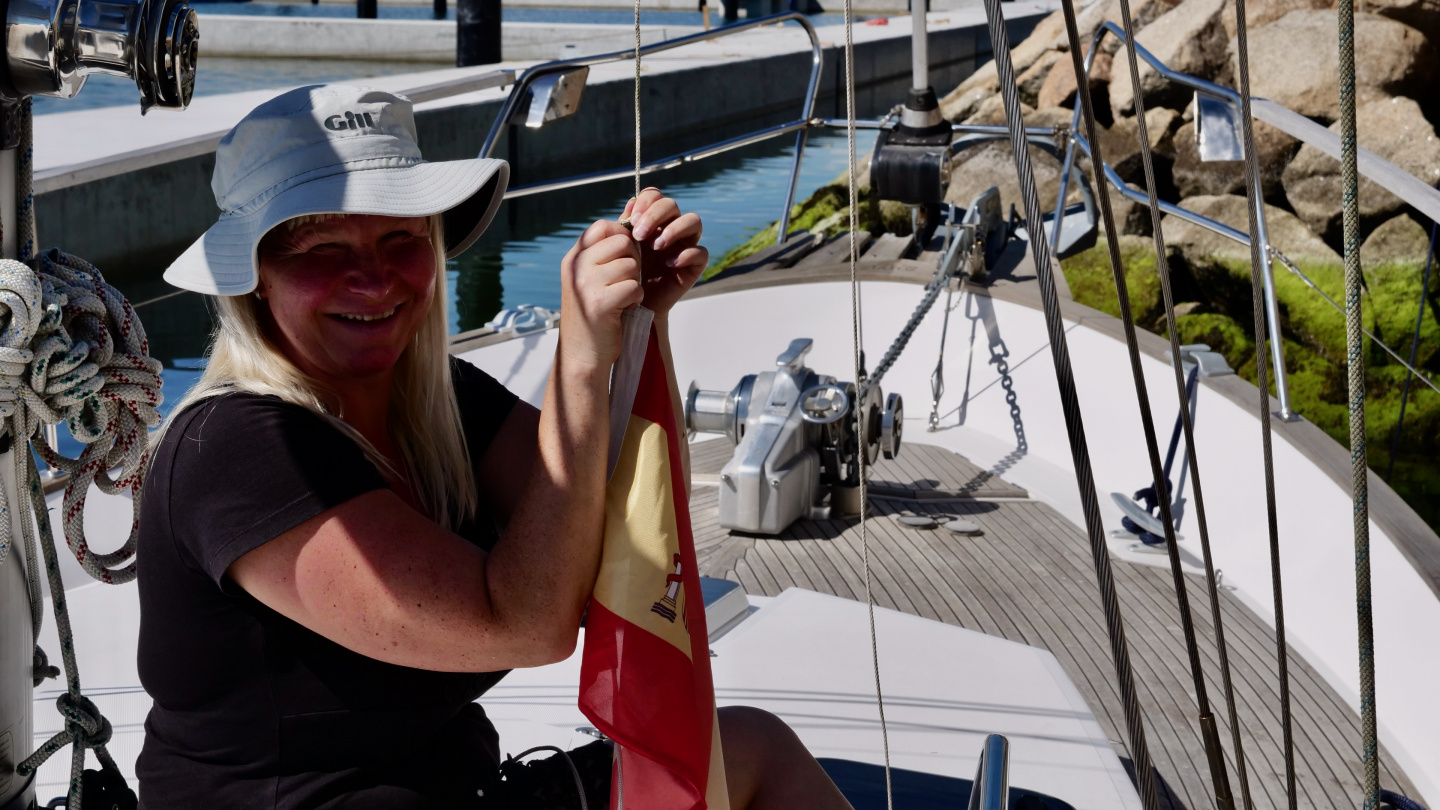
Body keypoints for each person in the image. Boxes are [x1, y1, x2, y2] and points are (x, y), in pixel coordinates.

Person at [136, 84, 853, 809]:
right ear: (254, 278)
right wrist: (578, 360)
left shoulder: (438, 399)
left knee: (751, 750)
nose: (375, 277)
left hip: (462, 790)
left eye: (401, 239)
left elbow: (609, 550)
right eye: (324, 248)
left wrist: (634, 334)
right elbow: (526, 624)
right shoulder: (236, 453)